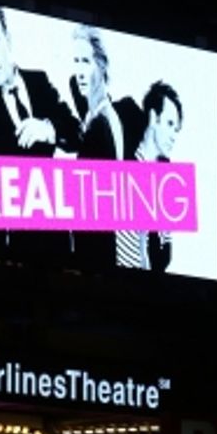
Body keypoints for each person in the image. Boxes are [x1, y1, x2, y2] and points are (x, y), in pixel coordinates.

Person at [0, 2, 81, 258]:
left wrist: (49, 129)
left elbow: (76, 134)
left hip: (59, 240)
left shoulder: (39, 81)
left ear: (8, 39)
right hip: (18, 250)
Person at [69, 24, 144, 269]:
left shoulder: (101, 125)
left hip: (95, 262)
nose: (79, 71)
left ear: (101, 66)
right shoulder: (100, 116)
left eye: (86, 62)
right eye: (76, 61)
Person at [123, 80, 184, 272]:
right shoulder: (124, 165)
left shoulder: (167, 181)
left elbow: (165, 252)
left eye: (176, 129)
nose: (174, 135)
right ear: (152, 118)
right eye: (169, 124)